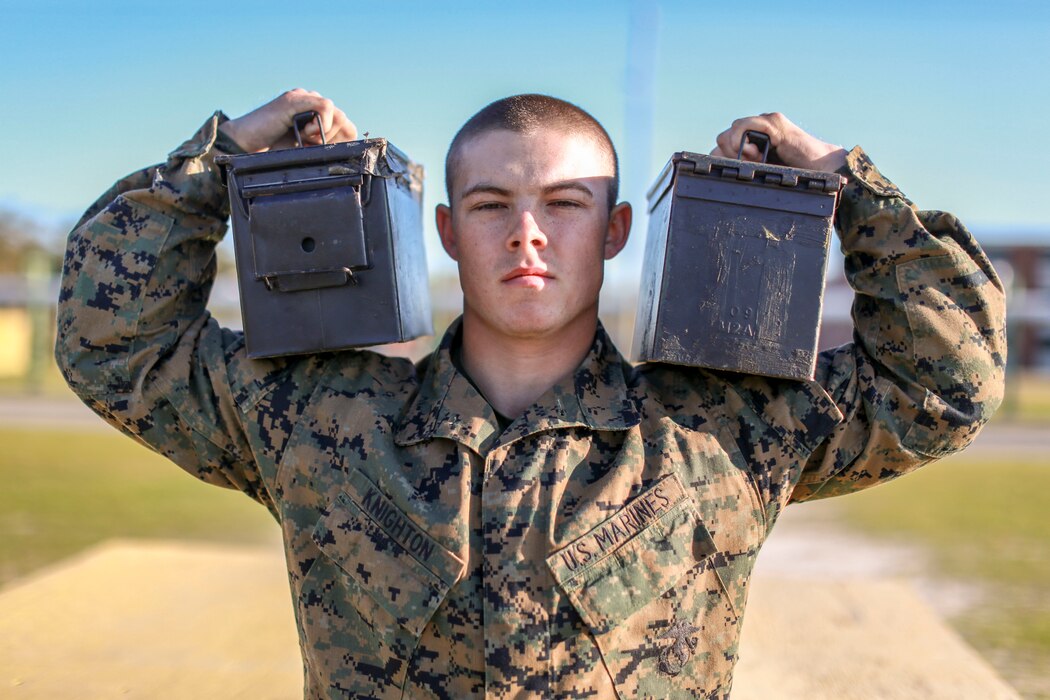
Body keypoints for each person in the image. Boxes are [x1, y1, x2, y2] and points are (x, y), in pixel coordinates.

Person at [55, 88, 1006, 699]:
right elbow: (113, 342)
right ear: (443, 229)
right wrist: (217, 162)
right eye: (490, 205)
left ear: (619, 228)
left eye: (564, 203)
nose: (528, 235)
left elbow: (949, 380)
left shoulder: (720, 434)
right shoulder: (323, 421)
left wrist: (846, 185)